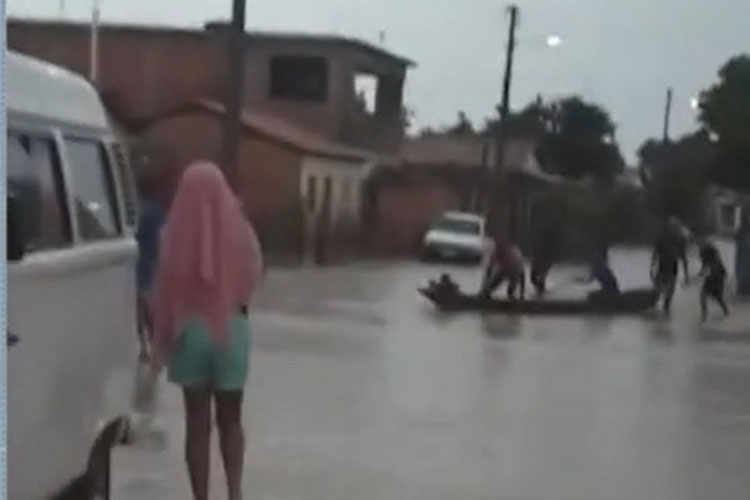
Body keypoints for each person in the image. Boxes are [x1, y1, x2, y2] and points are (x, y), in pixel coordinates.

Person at [151, 161, 263, 500]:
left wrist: (161, 340)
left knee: (196, 425)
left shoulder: (171, 234)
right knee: (231, 419)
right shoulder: (242, 231)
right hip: (231, 329)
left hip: (189, 332)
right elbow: (255, 276)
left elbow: (163, 288)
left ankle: (200, 497)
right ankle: (234, 492)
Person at [651, 219, 683, 315]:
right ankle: (662, 307)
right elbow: (656, 252)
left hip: (669, 266)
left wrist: (652, 265)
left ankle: (663, 306)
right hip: (666, 266)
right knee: (663, 286)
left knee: (663, 286)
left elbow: (655, 252)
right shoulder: (674, 238)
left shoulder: (674, 238)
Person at [698, 242, 729, 322]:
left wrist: (703, 274)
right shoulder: (706, 260)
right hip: (711, 281)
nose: (700, 255)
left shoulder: (716, 261)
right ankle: (704, 315)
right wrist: (701, 273)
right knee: (703, 297)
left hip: (717, 281)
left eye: (701, 253)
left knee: (718, 298)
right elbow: (705, 270)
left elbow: (712, 271)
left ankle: (726, 311)